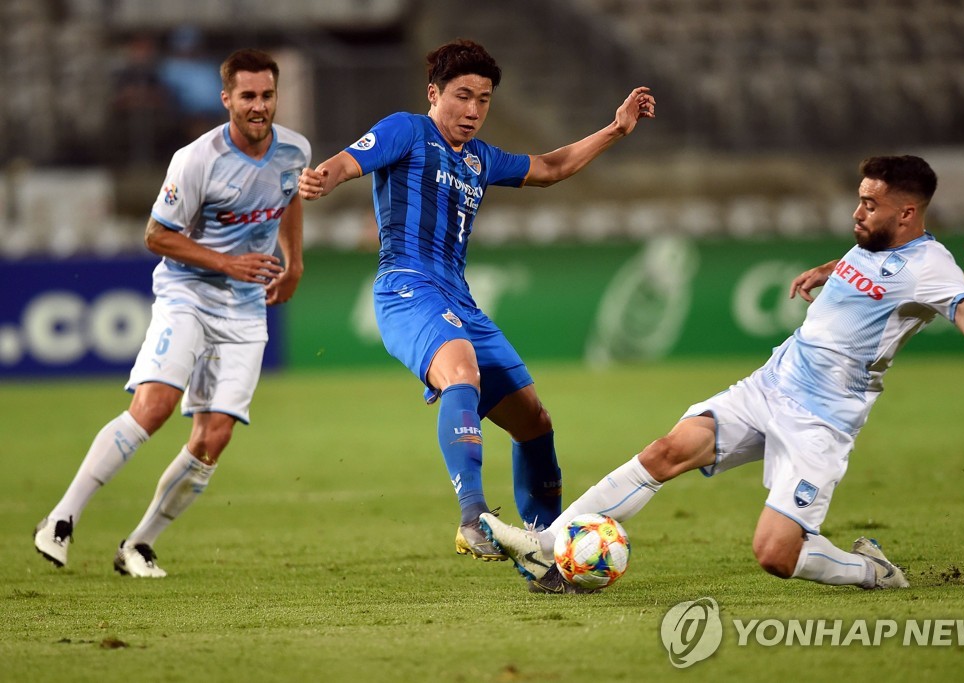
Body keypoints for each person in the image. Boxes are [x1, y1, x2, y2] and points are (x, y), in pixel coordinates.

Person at [481, 155, 964, 593]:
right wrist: (829, 270)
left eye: (870, 204)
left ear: (907, 213)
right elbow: (871, 266)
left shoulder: (933, 267)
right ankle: (547, 547)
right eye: (859, 197)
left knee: (775, 555)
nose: (858, 211)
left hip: (821, 421)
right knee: (665, 452)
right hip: (771, 384)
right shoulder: (874, 241)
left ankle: (872, 571)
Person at [299, 39, 655, 561]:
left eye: (483, 100)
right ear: (433, 93)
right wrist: (322, 178)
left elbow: (550, 168)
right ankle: (473, 517)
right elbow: (350, 161)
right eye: (462, 96)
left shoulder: (482, 159)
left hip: (459, 298)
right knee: (460, 371)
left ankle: (541, 550)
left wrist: (616, 130)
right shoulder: (408, 129)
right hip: (407, 287)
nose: (472, 111)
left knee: (534, 422)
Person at [33, 48, 311, 577]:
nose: (259, 106)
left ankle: (138, 545)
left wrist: (293, 262)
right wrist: (226, 262)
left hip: (246, 308)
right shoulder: (196, 159)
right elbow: (156, 235)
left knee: (215, 437)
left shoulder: (295, 150)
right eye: (248, 96)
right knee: (154, 407)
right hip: (188, 294)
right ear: (226, 98)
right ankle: (61, 519)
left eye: (268, 95)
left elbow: (290, 196)